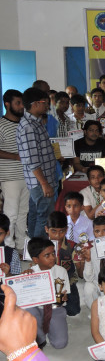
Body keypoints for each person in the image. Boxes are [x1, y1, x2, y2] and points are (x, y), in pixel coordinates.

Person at [16, 88, 57, 239]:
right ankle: (39, 252)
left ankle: (32, 251)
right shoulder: (28, 127)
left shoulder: (36, 123)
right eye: (45, 102)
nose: (47, 105)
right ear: (34, 104)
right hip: (40, 182)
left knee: (35, 215)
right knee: (45, 218)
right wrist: (44, 183)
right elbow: (32, 160)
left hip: (42, 180)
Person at [25, 239, 70, 349]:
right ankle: (40, 336)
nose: (52, 257)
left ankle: (51, 328)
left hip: (55, 309)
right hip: (37, 309)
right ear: (36, 259)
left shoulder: (61, 271)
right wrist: (24, 280)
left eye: (53, 253)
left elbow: (65, 294)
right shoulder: (30, 273)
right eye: (47, 255)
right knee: (28, 309)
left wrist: (64, 297)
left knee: (60, 344)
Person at [0, 89, 29, 249]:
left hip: (27, 175)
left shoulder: (24, 124)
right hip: (10, 177)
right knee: (10, 213)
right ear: (7, 104)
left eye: (22, 103)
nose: (21, 106)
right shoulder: (1, 124)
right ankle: (8, 248)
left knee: (23, 212)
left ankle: (21, 245)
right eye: (18, 103)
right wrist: (16, 156)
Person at [45, 211, 81, 316]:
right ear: (46, 229)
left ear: (66, 230)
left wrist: (81, 262)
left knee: (73, 310)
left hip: (67, 282)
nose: (57, 235)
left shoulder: (72, 246)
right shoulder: (40, 246)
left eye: (61, 231)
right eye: (53, 231)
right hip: (47, 282)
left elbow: (81, 274)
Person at [82, 216, 105, 309]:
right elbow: (88, 278)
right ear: (93, 232)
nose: (101, 234)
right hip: (97, 283)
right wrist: (88, 259)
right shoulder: (90, 248)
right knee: (88, 287)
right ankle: (95, 312)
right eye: (97, 231)